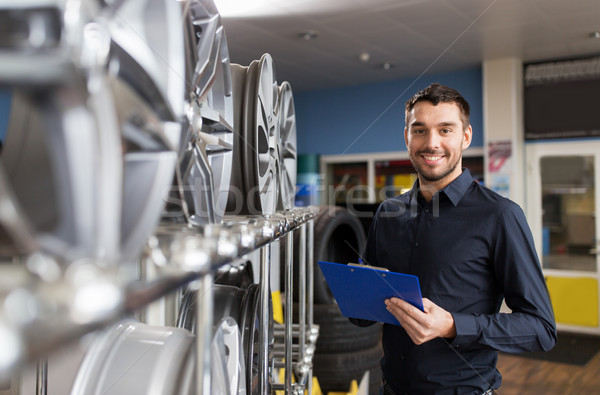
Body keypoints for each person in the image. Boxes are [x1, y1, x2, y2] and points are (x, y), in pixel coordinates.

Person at [352, 83, 557, 394]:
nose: (431, 143)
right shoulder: (388, 213)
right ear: (407, 137)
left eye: (445, 130)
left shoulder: (499, 216)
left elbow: (540, 329)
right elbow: (367, 313)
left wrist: (451, 326)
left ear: (466, 136)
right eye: (419, 130)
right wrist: (351, 289)